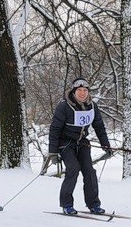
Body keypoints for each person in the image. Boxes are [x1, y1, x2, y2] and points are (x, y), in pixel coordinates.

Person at [48, 78, 113, 215]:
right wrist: (53, 152)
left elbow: (99, 127)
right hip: (65, 144)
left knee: (89, 171)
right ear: (74, 91)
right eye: (79, 90)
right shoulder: (64, 106)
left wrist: (106, 145)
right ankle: (67, 204)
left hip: (82, 143)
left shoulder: (92, 106)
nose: (82, 93)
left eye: (85, 90)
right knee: (73, 169)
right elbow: (54, 130)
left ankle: (94, 204)